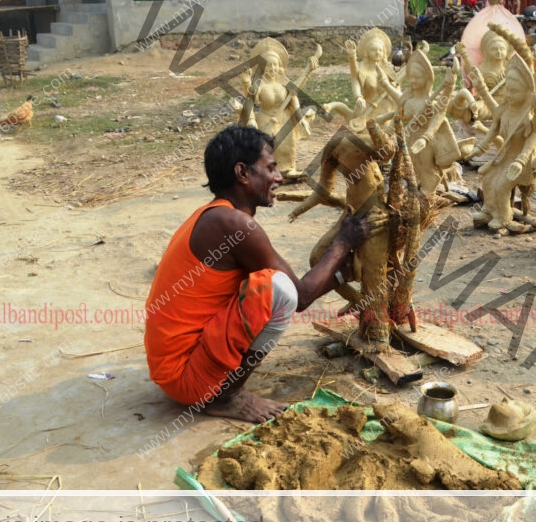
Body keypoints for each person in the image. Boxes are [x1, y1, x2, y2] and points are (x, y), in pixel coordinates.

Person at [144, 126, 371, 422]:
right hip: (187, 382)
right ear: (242, 172)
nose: (278, 177)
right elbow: (298, 295)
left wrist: (340, 272)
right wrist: (343, 243)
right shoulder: (234, 225)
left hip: (175, 369)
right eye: (271, 168)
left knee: (271, 287)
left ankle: (220, 386)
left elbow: (301, 289)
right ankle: (227, 396)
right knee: (277, 290)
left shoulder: (216, 215)